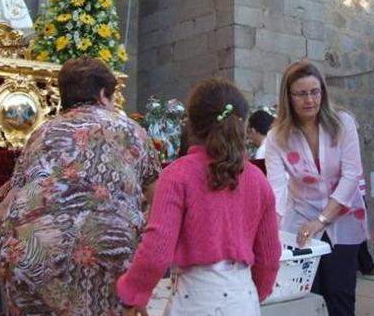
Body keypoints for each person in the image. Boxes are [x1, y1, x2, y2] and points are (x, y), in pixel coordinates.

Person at [0, 56, 160, 315]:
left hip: (32, 256)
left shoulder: (40, 133)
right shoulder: (132, 131)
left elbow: (11, 201)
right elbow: (160, 202)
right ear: (104, 94)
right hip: (107, 255)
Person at [117, 78, 281, 315]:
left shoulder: (177, 175)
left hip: (194, 301)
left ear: (190, 124)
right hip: (243, 300)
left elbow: (156, 250)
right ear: (243, 125)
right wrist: (253, 293)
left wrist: (132, 294)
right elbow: (269, 257)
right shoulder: (258, 180)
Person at [265, 60, 367, 315]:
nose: (309, 100)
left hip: (343, 220)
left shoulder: (343, 123)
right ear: (288, 97)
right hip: (300, 222)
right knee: (308, 297)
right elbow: (276, 189)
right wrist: (270, 233)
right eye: (301, 93)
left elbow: (352, 175)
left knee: (341, 295)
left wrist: (322, 220)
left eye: (315, 91)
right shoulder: (277, 137)